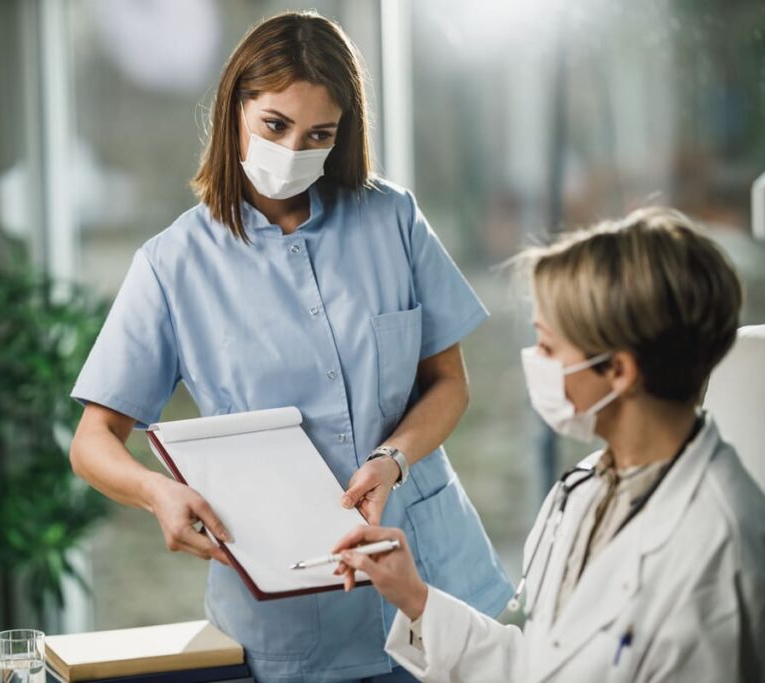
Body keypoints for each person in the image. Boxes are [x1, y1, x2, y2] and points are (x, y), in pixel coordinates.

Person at [68, 10, 512, 683]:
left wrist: (393, 458)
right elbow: (93, 438)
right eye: (275, 125)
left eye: (319, 134)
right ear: (234, 110)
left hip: (434, 590)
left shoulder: (393, 219)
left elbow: (450, 384)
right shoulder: (172, 265)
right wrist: (156, 491)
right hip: (292, 626)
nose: (293, 150)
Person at [333, 207, 765, 681]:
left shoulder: (718, 550)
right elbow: (537, 664)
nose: (533, 363)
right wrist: (413, 595)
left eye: (547, 346)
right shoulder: (584, 490)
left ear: (618, 371)